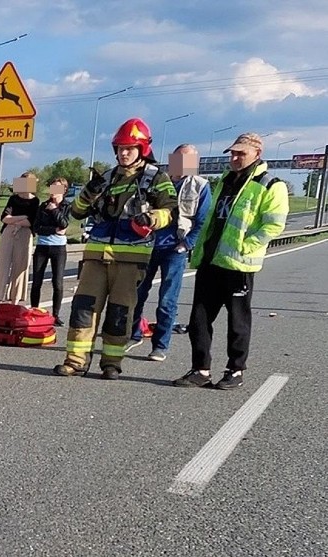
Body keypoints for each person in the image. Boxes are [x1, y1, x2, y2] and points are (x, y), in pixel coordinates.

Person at [54, 118, 177, 380]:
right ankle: (75, 360)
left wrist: (152, 218)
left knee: (120, 312)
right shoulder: (106, 178)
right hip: (96, 256)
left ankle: (111, 363)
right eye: (120, 148)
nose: (123, 153)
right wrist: (89, 191)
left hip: (131, 258)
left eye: (130, 148)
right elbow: (76, 212)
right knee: (83, 308)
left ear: (142, 149)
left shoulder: (157, 178)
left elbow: (171, 212)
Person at [174, 133, 289, 390]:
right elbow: (213, 219)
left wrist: (246, 246)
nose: (235, 158)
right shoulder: (226, 180)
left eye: (241, 154)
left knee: (238, 322)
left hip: (239, 265)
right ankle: (200, 369)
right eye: (233, 153)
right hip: (212, 260)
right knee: (199, 320)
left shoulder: (271, 184)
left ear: (257, 154)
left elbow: (274, 225)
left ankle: (235, 371)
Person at [125, 144, 211, 361]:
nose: (182, 165)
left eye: (187, 160)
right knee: (136, 294)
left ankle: (160, 345)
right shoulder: (158, 180)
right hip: (149, 244)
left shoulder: (200, 186)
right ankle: (134, 334)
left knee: (167, 299)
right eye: (179, 159)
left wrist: (187, 244)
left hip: (175, 249)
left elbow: (202, 221)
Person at [0, 172, 39, 311]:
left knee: (20, 267)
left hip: (24, 234)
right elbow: (4, 217)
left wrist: (17, 221)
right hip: (9, 232)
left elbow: (31, 220)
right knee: (2, 266)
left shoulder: (35, 201)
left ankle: (14, 303)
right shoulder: (13, 199)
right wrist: (20, 218)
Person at [30, 177, 71, 325]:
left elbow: (64, 224)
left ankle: (56, 315)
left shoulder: (67, 206)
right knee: (36, 281)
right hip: (42, 247)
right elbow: (36, 228)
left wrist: (54, 210)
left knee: (57, 282)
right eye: (52, 187)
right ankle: (34, 310)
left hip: (58, 248)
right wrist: (53, 229)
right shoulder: (42, 206)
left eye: (57, 188)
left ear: (64, 190)